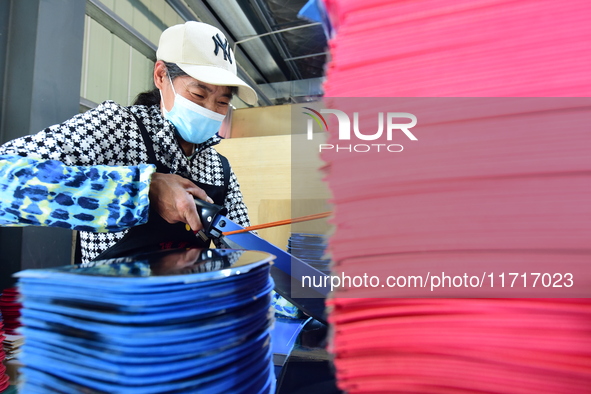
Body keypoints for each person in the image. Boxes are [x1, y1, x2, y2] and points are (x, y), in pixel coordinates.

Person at [0, 21, 256, 263]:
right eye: (198, 93)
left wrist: (289, 285)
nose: (210, 109)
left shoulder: (218, 167)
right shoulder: (117, 128)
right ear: (161, 76)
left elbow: (244, 250)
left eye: (222, 102)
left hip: (179, 303)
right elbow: (6, 179)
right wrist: (141, 191)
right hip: (108, 303)